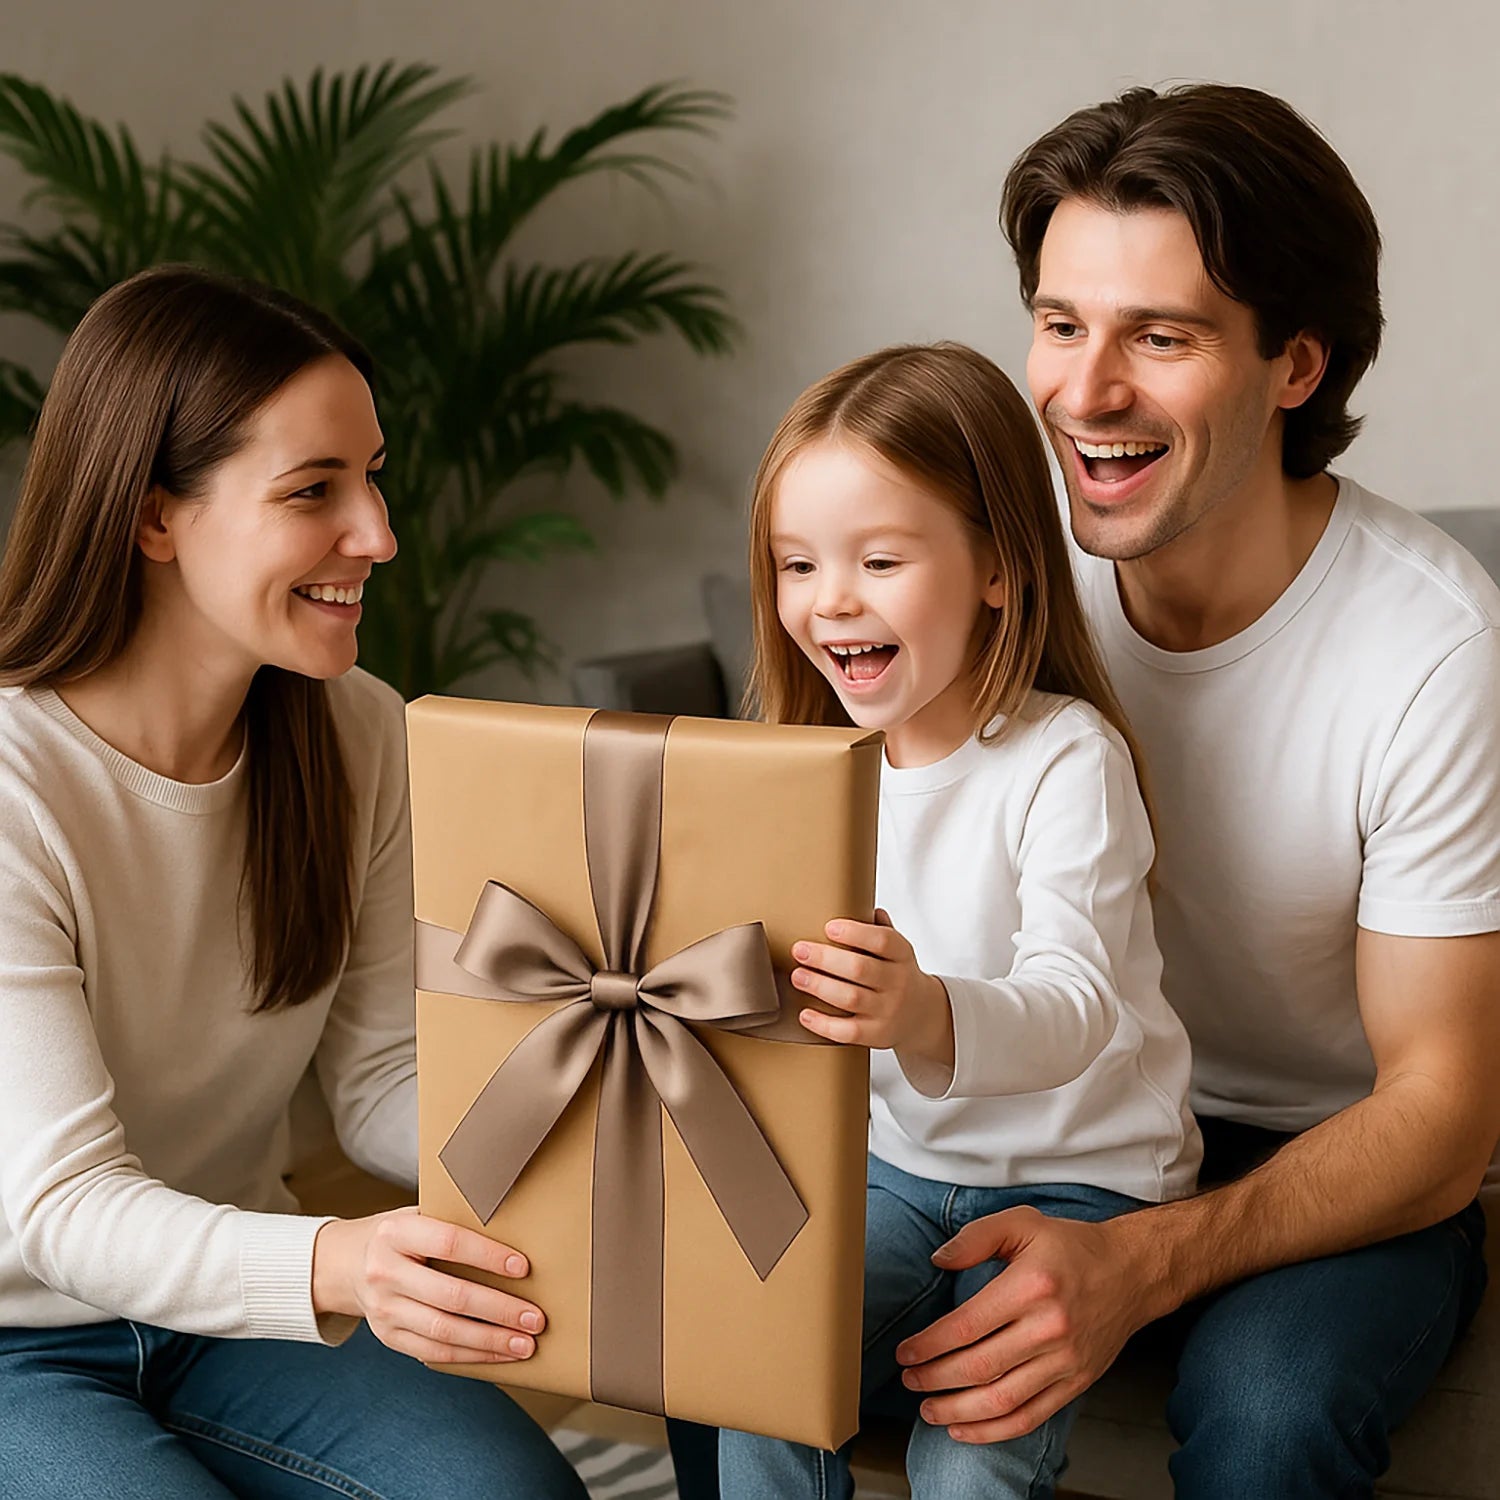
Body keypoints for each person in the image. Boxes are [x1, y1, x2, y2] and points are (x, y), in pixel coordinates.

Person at [892, 84, 1500, 1498]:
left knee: (1275, 1409)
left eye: (1159, 338)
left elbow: (1443, 1109)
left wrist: (1138, 1264)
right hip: (1055, 1099)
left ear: (1296, 364)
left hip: (1332, 1150)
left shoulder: (1433, 648)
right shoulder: (996, 566)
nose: (1086, 393)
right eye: (1059, 324)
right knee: (734, 1308)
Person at [0, 266, 586, 1499]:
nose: (375, 533)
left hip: (230, 1305)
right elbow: (62, 1206)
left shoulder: (353, 731)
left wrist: (599, 1114)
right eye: (313, 490)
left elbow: (376, 1084)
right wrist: (342, 1265)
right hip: (18, 1338)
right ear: (155, 518)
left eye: (371, 477)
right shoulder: (17, 786)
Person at [715, 341, 1201, 1499]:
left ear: (996, 566)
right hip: (893, 1165)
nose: (831, 599)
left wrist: (922, 1009)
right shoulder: (804, 768)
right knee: (756, 1372)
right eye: (797, 565)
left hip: (1082, 1182)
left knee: (974, 1456)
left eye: (879, 559)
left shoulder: (1062, 760)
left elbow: (1077, 1008)